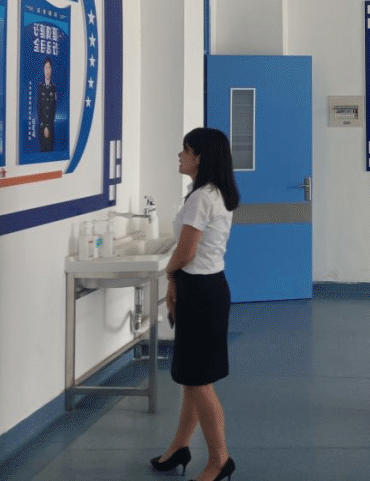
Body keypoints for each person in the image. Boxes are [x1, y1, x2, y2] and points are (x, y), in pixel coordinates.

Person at [153, 128, 239, 481]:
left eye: (185, 150)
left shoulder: (202, 198)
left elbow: (186, 251)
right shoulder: (214, 193)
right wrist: (176, 279)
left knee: (199, 381)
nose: (180, 155)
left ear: (200, 157)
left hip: (200, 292)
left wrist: (169, 274)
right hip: (208, 287)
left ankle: (219, 460)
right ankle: (179, 447)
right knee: (193, 376)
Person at [37, 57, 57, 152]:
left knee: (50, 150)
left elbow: (53, 109)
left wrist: (48, 127)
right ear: (43, 70)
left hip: (51, 126)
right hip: (42, 126)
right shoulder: (40, 87)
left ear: (51, 70)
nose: (47, 70)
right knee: (43, 151)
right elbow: (39, 108)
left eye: (49, 68)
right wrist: (44, 127)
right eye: (46, 68)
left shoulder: (54, 88)